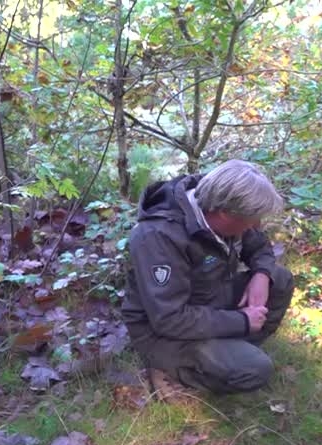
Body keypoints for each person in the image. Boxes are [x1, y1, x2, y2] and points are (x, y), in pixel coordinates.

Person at [121, 160, 294, 396]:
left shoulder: (223, 202)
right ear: (224, 214)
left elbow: (259, 245)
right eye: (250, 220)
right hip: (162, 332)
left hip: (209, 297)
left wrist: (261, 275)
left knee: (279, 279)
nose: (255, 225)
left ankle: (232, 353)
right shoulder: (158, 237)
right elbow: (169, 319)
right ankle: (170, 369)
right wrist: (242, 321)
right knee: (256, 369)